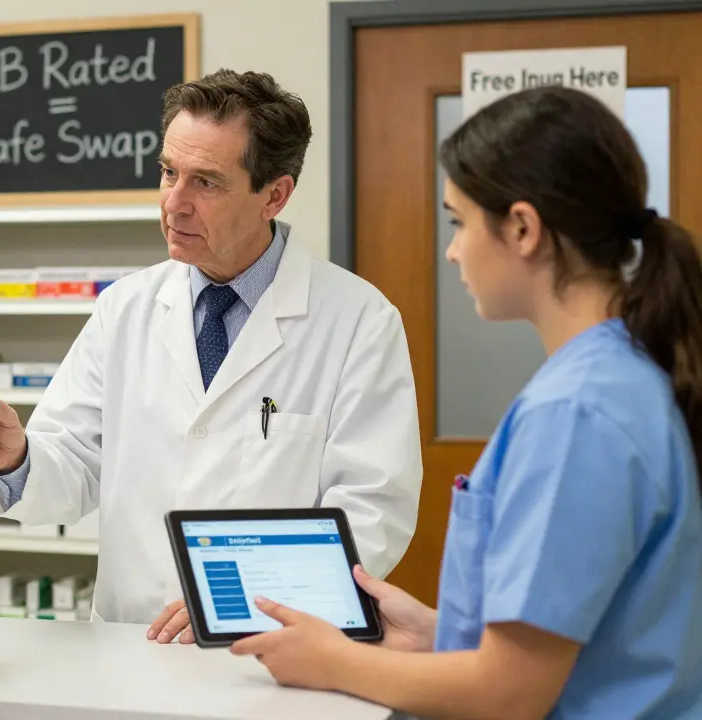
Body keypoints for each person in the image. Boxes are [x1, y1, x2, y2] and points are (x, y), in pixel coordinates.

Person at [230, 86, 702, 719]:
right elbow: (593, 634)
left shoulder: (578, 414)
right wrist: (437, 637)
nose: (452, 249)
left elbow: (510, 694)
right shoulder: (623, 373)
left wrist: (337, 661)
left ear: (523, 228)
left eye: (458, 223)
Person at [0, 69, 423, 642]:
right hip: (130, 646)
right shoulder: (125, 309)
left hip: (273, 649)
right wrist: (15, 457)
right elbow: (75, 465)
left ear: (275, 194)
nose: (175, 202)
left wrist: (234, 604)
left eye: (207, 183)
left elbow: (372, 511)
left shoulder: (358, 321)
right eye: (169, 172)